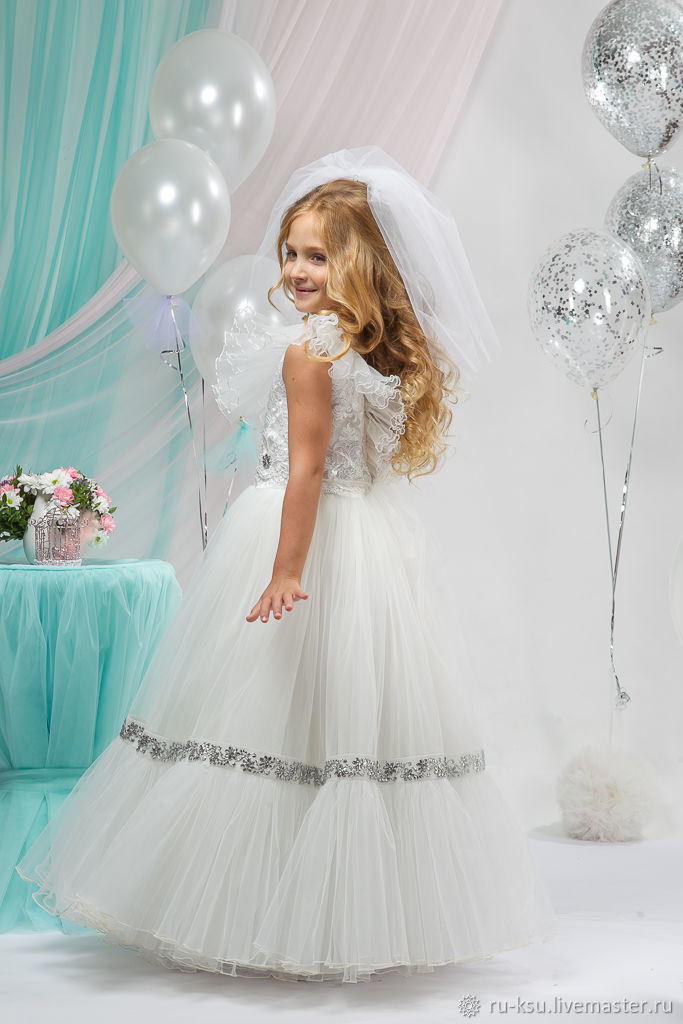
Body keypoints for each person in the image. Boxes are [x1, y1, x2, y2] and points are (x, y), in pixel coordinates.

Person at [17, 147, 555, 984]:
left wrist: (285, 568)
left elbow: (305, 472)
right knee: (335, 720)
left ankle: (262, 913)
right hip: (363, 543)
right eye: (291, 252)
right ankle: (327, 915)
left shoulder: (309, 352)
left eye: (318, 257)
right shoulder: (363, 351)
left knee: (269, 711)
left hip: (296, 536)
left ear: (360, 266)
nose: (297, 270)